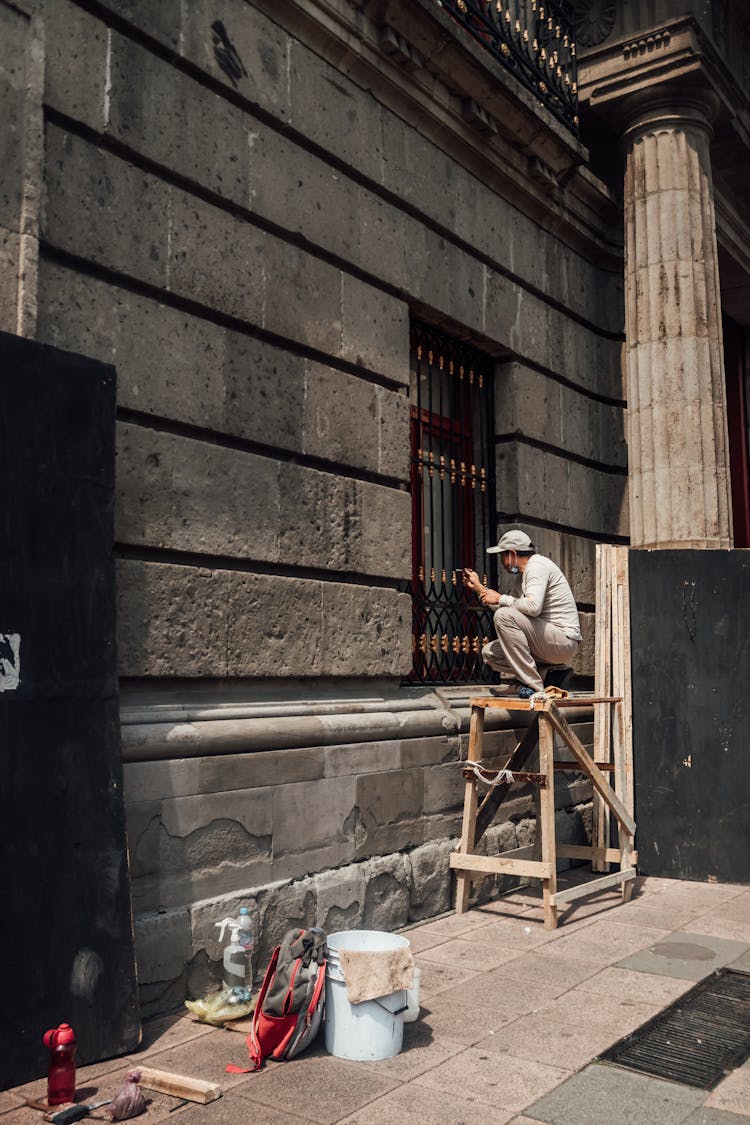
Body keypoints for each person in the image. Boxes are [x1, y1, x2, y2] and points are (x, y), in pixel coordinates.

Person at [462, 529, 580, 698]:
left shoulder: (537, 566)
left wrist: (501, 598)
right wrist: (479, 588)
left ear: (512, 554)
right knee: (490, 654)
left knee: (503, 616)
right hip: (547, 642)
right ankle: (550, 671)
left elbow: (532, 607)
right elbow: (508, 607)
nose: (503, 562)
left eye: (503, 556)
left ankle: (532, 685)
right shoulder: (523, 577)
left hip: (563, 641)